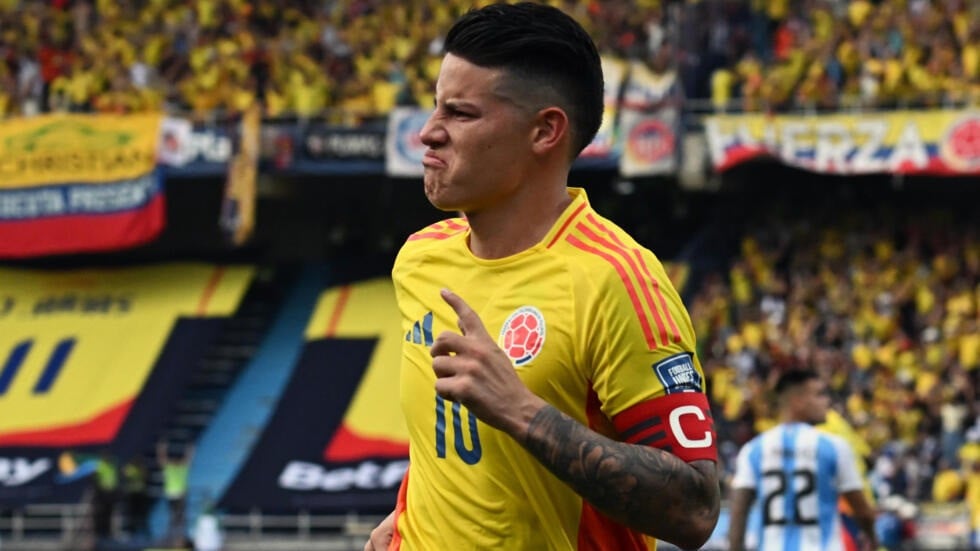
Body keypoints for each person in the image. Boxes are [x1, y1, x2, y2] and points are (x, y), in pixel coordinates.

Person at [365, 3, 720, 550]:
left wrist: (522, 411)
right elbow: (453, 445)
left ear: (544, 131)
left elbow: (695, 509)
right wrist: (408, 515)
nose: (428, 134)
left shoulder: (615, 280)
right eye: (436, 108)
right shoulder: (420, 260)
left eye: (460, 114)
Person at [728, 369, 878, 551]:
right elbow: (863, 512)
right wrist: (872, 540)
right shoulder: (834, 447)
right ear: (797, 401)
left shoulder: (753, 450)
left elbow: (738, 513)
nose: (827, 401)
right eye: (819, 395)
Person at [158, 440, 194, 547]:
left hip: (180, 495)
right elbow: (162, 460)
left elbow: (188, 459)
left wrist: (190, 450)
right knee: (174, 516)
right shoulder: (170, 468)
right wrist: (161, 449)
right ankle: (173, 536)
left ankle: (180, 537)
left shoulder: (182, 468)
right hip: (172, 495)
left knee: (180, 517)